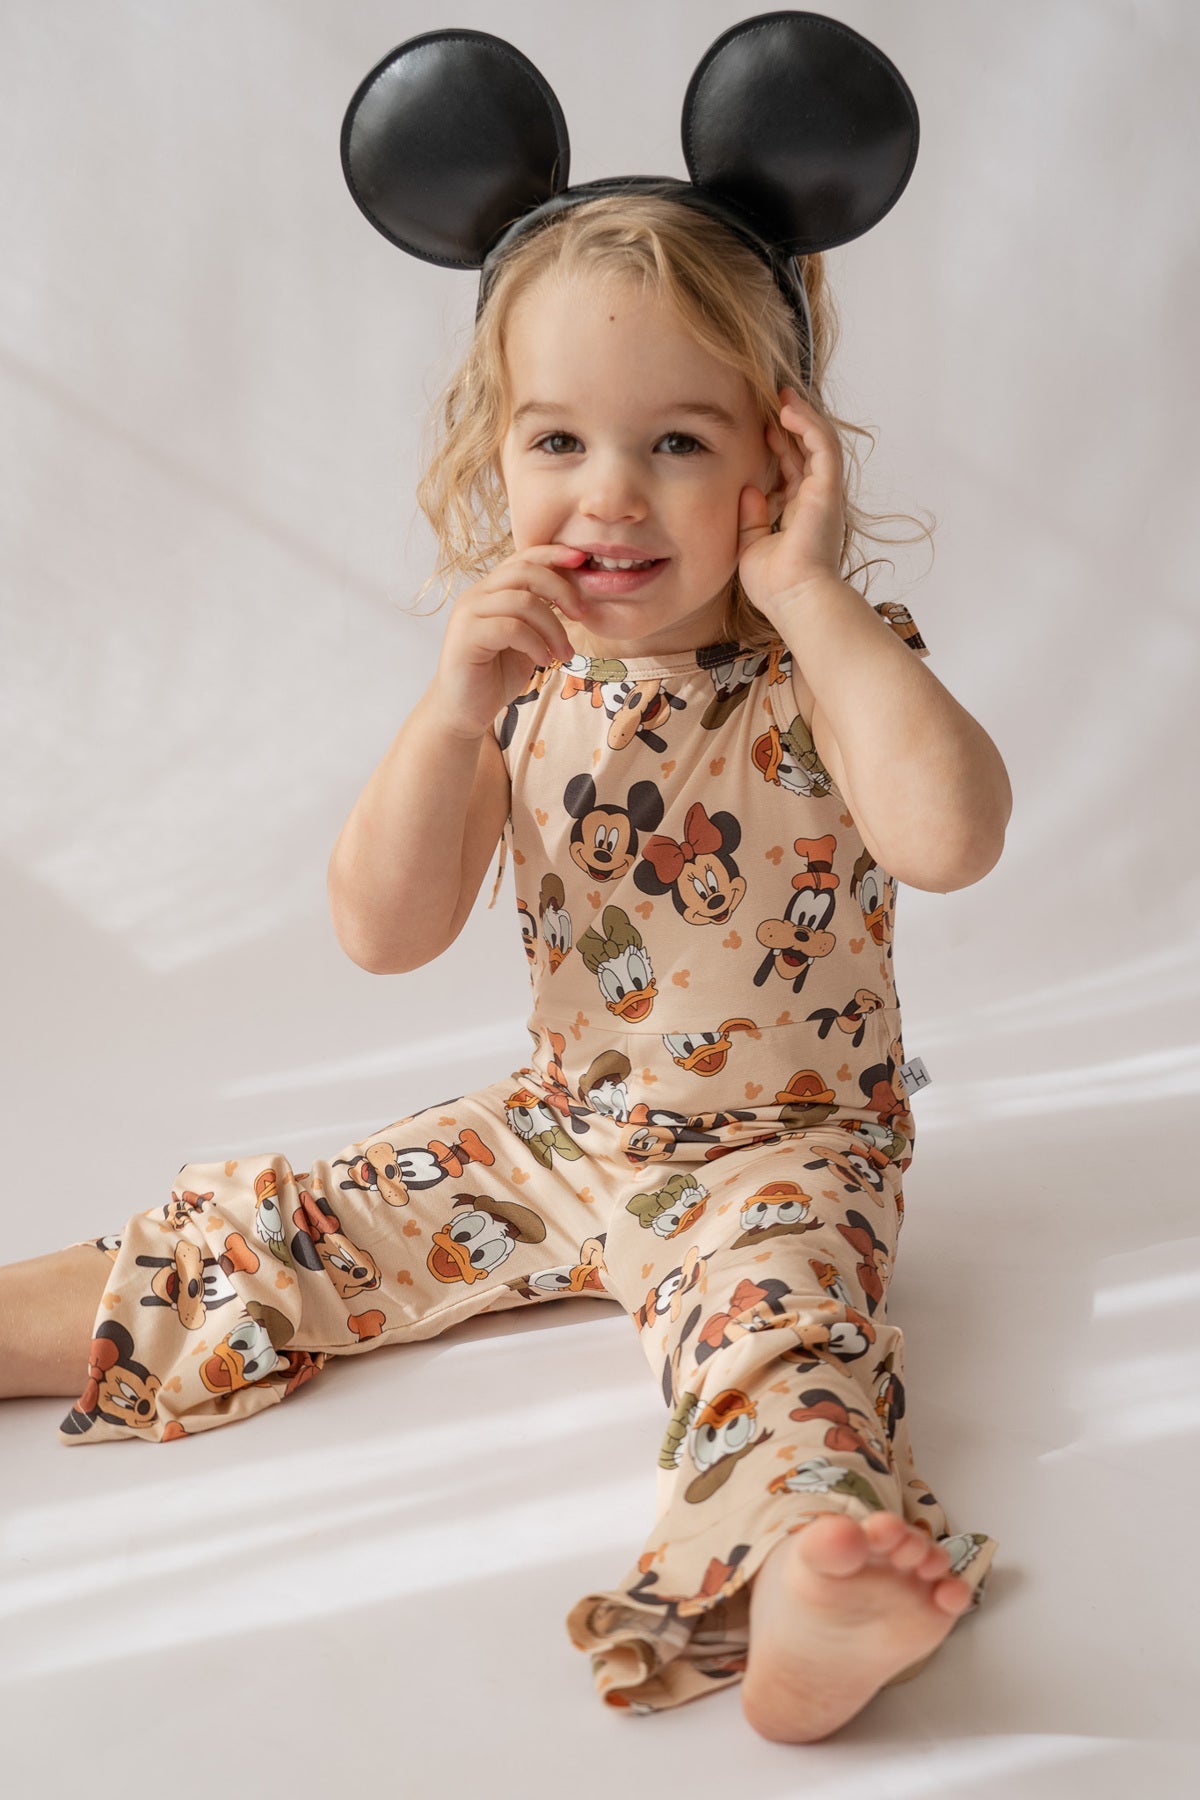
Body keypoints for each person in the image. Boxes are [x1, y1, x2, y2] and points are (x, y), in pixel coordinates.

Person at [0, 15, 1012, 1744]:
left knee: (778, 1342)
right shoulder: (521, 680)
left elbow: (951, 835)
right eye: (557, 444)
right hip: (557, 1134)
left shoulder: (827, 667)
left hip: (785, 1154)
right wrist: (453, 713)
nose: (608, 496)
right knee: (296, 1217)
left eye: (677, 443)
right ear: (495, 451)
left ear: (777, 460)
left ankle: (805, 1591)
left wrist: (816, 594)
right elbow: (383, 934)